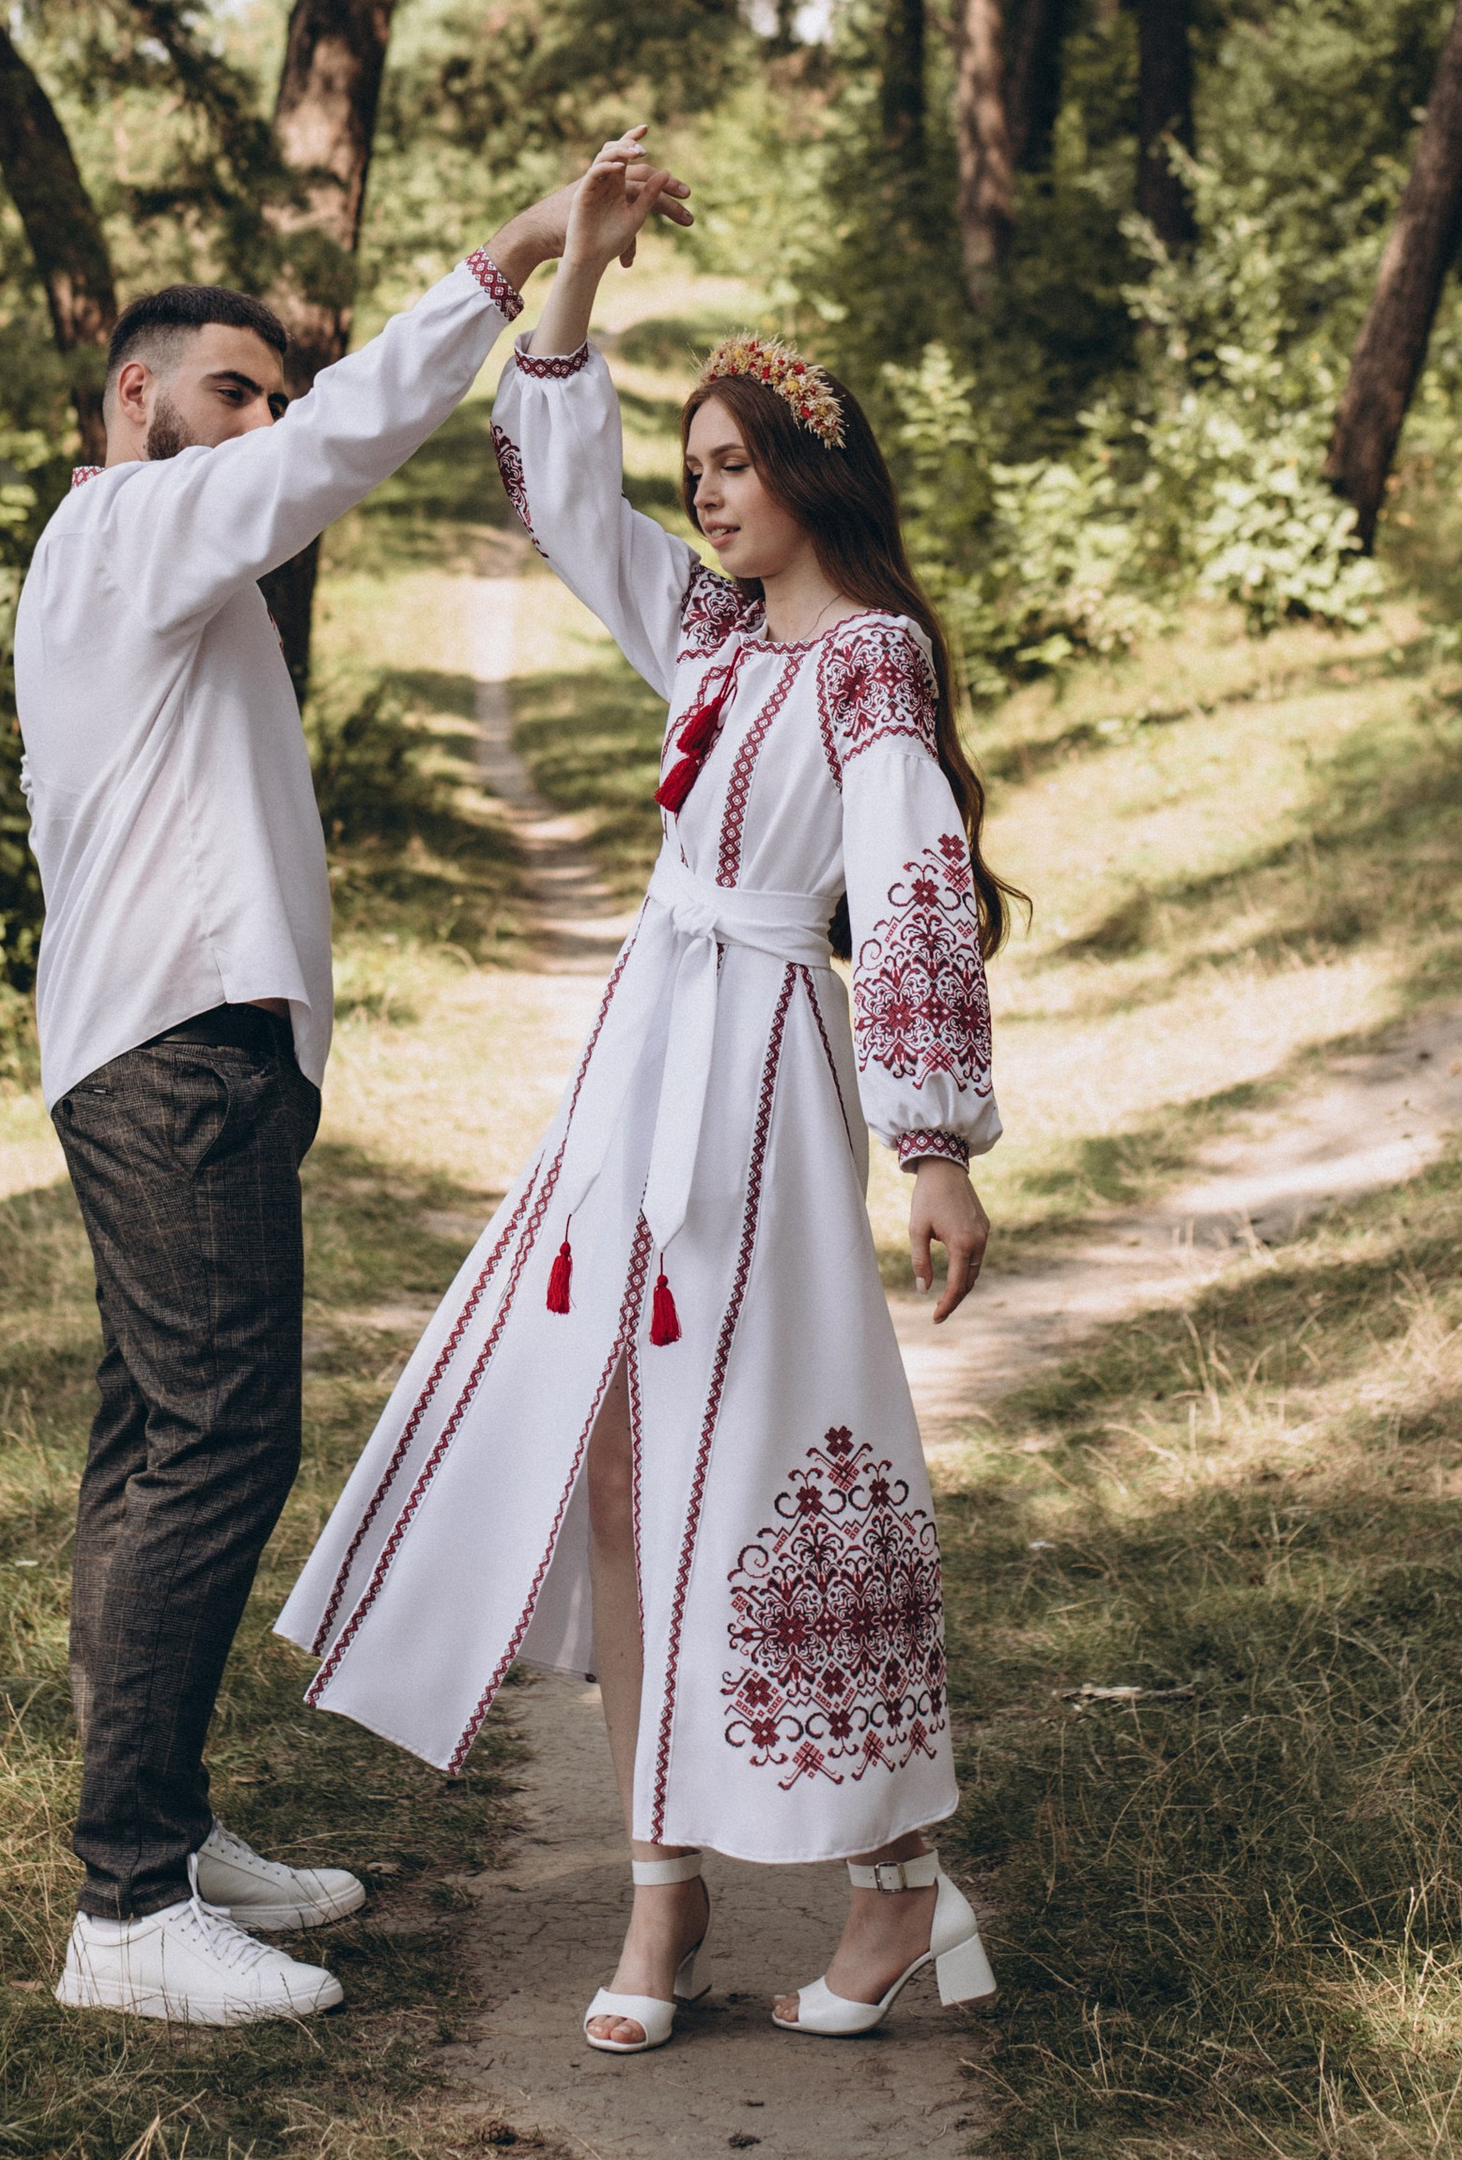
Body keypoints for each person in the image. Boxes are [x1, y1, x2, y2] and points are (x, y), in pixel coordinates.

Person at [278, 146, 1007, 2050]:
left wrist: (932, 1153)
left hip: (762, 1074)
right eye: (694, 469)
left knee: (770, 1451)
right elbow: (558, 499)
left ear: (810, 477)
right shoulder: (706, 636)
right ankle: (663, 1895)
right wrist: (575, 277)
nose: (702, 493)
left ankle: (896, 1889)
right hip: (641, 1065)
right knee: (612, 1456)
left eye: (733, 466)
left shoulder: (868, 666)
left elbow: (917, 890)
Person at [17, 135, 691, 2031]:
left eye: (271, 397)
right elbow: (337, 450)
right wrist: (525, 253)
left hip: (168, 1055)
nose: (267, 427)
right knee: (219, 1445)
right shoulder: (130, 526)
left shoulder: (163, 580)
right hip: (175, 1062)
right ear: (138, 396)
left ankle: (160, 1828)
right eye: (233, 392)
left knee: (151, 1451)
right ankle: (130, 1908)